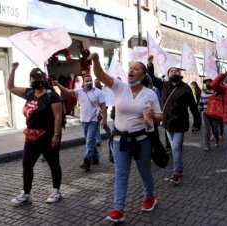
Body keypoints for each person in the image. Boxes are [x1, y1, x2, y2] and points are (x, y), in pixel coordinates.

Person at [90, 53, 162, 223]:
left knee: (144, 171)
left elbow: (160, 116)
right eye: (130, 68)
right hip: (119, 141)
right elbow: (100, 75)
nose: (131, 70)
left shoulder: (150, 94)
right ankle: (118, 209)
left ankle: (150, 197)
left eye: (136, 69)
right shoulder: (119, 87)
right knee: (121, 175)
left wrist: (152, 116)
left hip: (142, 141)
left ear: (143, 75)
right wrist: (96, 61)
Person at [7, 63, 63, 205]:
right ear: (30, 79)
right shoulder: (29, 93)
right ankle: (26, 193)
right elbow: (11, 87)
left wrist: (56, 136)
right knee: (27, 163)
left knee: (53, 163)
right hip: (31, 135)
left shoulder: (52, 96)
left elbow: (58, 117)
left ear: (44, 79)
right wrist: (13, 69)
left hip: (48, 135)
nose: (36, 80)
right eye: (33, 78)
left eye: (39, 77)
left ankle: (56, 190)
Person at [54, 76, 107, 171]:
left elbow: (103, 106)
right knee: (88, 140)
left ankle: (87, 161)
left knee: (89, 141)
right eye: (87, 81)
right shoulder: (79, 91)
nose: (89, 82)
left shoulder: (98, 92)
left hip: (94, 120)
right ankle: (95, 157)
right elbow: (67, 91)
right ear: (83, 83)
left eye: (90, 80)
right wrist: (58, 84)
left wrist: (105, 120)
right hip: (84, 121)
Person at [198, 78, 221, 151]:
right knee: (207, 130)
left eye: (209, 82)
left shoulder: (216, 92)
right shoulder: (203, 93)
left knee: (215, 130)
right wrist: (199, 109)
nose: (208, 84)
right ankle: (207, 146)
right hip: (206, 114)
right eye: (206, 82)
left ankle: (217, 139)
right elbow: (200, 102)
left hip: (215, 114)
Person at [94, 79, 112, 146]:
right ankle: (98, 140)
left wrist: (104, 109)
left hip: (102, 110)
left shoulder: (103, 90)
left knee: (104, 124)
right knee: (97, 125)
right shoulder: (94, 90)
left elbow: (105, 101)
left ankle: (111, 135)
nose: (96, 84)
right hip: (97, 110)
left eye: (97, 82)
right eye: (95, 83)